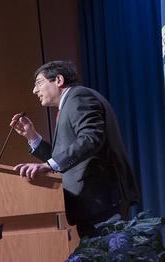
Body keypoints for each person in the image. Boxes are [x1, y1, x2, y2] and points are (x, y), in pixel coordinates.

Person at [10, 60, 140, 238]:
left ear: (59, 80)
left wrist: (49, 165)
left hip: (100, 202)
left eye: (39, 83)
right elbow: (67, 159)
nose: (35, 90)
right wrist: (32, 137)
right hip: (92, 204)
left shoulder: (78, 97)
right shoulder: (71, 103)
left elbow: (91, 139)